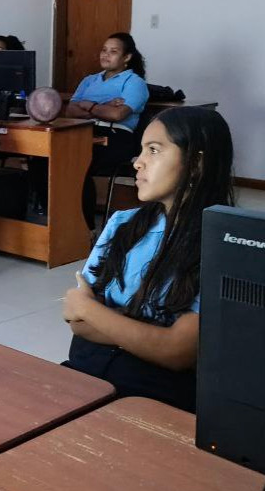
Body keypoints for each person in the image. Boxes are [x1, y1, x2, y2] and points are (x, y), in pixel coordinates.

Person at [62, 107, 234, 413]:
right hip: (86, 373)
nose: (137, 162)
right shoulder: (122, 224)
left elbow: (176, 352)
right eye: (141, 150)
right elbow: (77, 324)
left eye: (153, 150)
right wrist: (145, 336)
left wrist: (90, 308)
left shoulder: (222, 244)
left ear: (196, 164)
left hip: (155, 398)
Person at [64, 32, 150, 230]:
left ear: (126, 57)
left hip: (116, 137)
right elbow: (70, 110)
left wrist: (90, 106)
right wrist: (105, 106)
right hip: (81, 132)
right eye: (104, 50)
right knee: (48, 159)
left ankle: (86, 229)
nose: (106, 55)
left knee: (78, 165)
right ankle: (58, 217)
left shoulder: (134, 82)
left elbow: (118, 115)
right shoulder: (89, 80)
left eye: (113, 51)